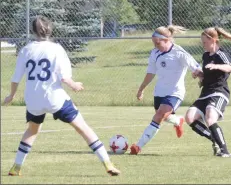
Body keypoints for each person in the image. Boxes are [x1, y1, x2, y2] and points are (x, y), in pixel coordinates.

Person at [4, 16, 120, 176]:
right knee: (83, 128)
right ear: (51, 30)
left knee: (31, 130)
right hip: (54, 98)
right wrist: (75, 85)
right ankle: (107, 163)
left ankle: (16, 167)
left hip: (33, 99)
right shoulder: (57, 49)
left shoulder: (26, 50)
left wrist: (11, 96)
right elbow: (65, 78)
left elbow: (16, 78)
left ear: (32, 31)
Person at [130, 25, 202, 155]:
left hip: (175, 92)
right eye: (153, 43)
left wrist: (200, 75)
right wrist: (141, 89)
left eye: (157, 43)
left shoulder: (180, 53)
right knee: (163, 116)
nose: (155, 46)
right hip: (159, 92)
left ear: (167, 40)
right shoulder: (154, 53)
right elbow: (150, 73)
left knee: (159, 115)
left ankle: (138, 146)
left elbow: (196, 68)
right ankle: (178, 120)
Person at [185, 27, 231, 157]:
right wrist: (199, 74)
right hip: (205, 93)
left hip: (219, 92)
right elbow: (207, 74)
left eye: (205, 42)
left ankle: (225, 150)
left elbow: (230, 67)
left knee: (210, 116)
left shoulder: (221, 54)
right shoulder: (206, 55)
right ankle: (214, 139)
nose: (203, 45)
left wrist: (216, 66)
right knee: (189, 117)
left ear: (213, 40)